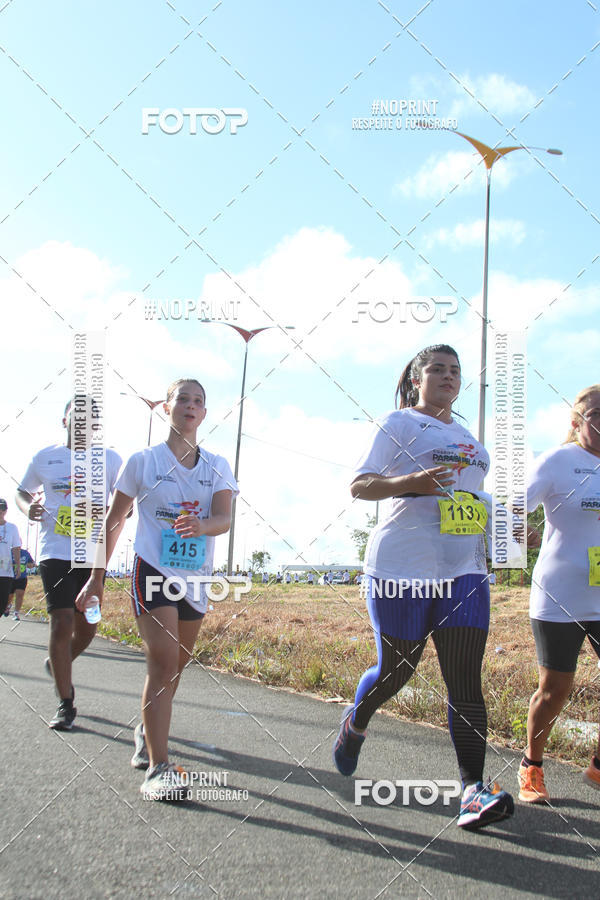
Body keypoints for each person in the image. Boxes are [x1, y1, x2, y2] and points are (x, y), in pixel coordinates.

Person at [333, 344, 514, 830]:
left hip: (464, 570)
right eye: (437, 369)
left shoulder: (472, 441)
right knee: (398, 671)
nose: (449, 376)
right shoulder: (399, 424)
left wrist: (509, 532)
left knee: (464, 678)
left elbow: (472, 501)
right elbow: (360, 485)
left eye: (456, 370)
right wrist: (413, 482)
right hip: (402, 566)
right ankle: (356, 721)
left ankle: (472, 791)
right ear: (417, 379)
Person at [76, 378, 237, 801]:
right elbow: (114, 522)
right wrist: (96, 577)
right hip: (153, 573)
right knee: (163, 665)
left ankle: (146, 729)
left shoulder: (217, 464)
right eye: (182, 398)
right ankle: (158, 767)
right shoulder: (142, 462)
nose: (190, 405)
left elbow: (224, 518)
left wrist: (202, 525)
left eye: (199, 401)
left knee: (176, 670)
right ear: (166, 407)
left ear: (204, 414)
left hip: (196, 579)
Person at [16, 400, 122, 730]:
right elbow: (22, 492)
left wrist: (124, 512)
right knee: (61, 623)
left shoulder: (110, 460)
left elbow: (124, 501)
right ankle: (65, 702)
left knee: (88, 627)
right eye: (77, 415)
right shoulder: (45, 457)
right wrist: (27, 508)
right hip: (55, 551)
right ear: (65, 419)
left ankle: (59, 661)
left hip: (92, 557)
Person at [518, 384, 600, 802]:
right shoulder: (557, 461)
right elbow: (513, 510)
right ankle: (532, 765)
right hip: (561, 593)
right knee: (555, 691)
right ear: (576, 422)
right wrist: (522, 533)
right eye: (598, 414)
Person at [0, 500, 21, 617]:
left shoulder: (12, 528)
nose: (0, 511)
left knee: (3, 603)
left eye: (2, 509)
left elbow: (16, 548)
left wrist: (18, 566)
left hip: (5, 571)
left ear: (5, 511)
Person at [7, 547, 35, 620]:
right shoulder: (8, 551)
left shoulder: (25, 553)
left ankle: (16, 613)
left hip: (22, 578)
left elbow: (31, 563)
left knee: (20, 594)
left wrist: (31, 565)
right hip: (10, 577)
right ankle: (7, 606)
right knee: (9, 596)